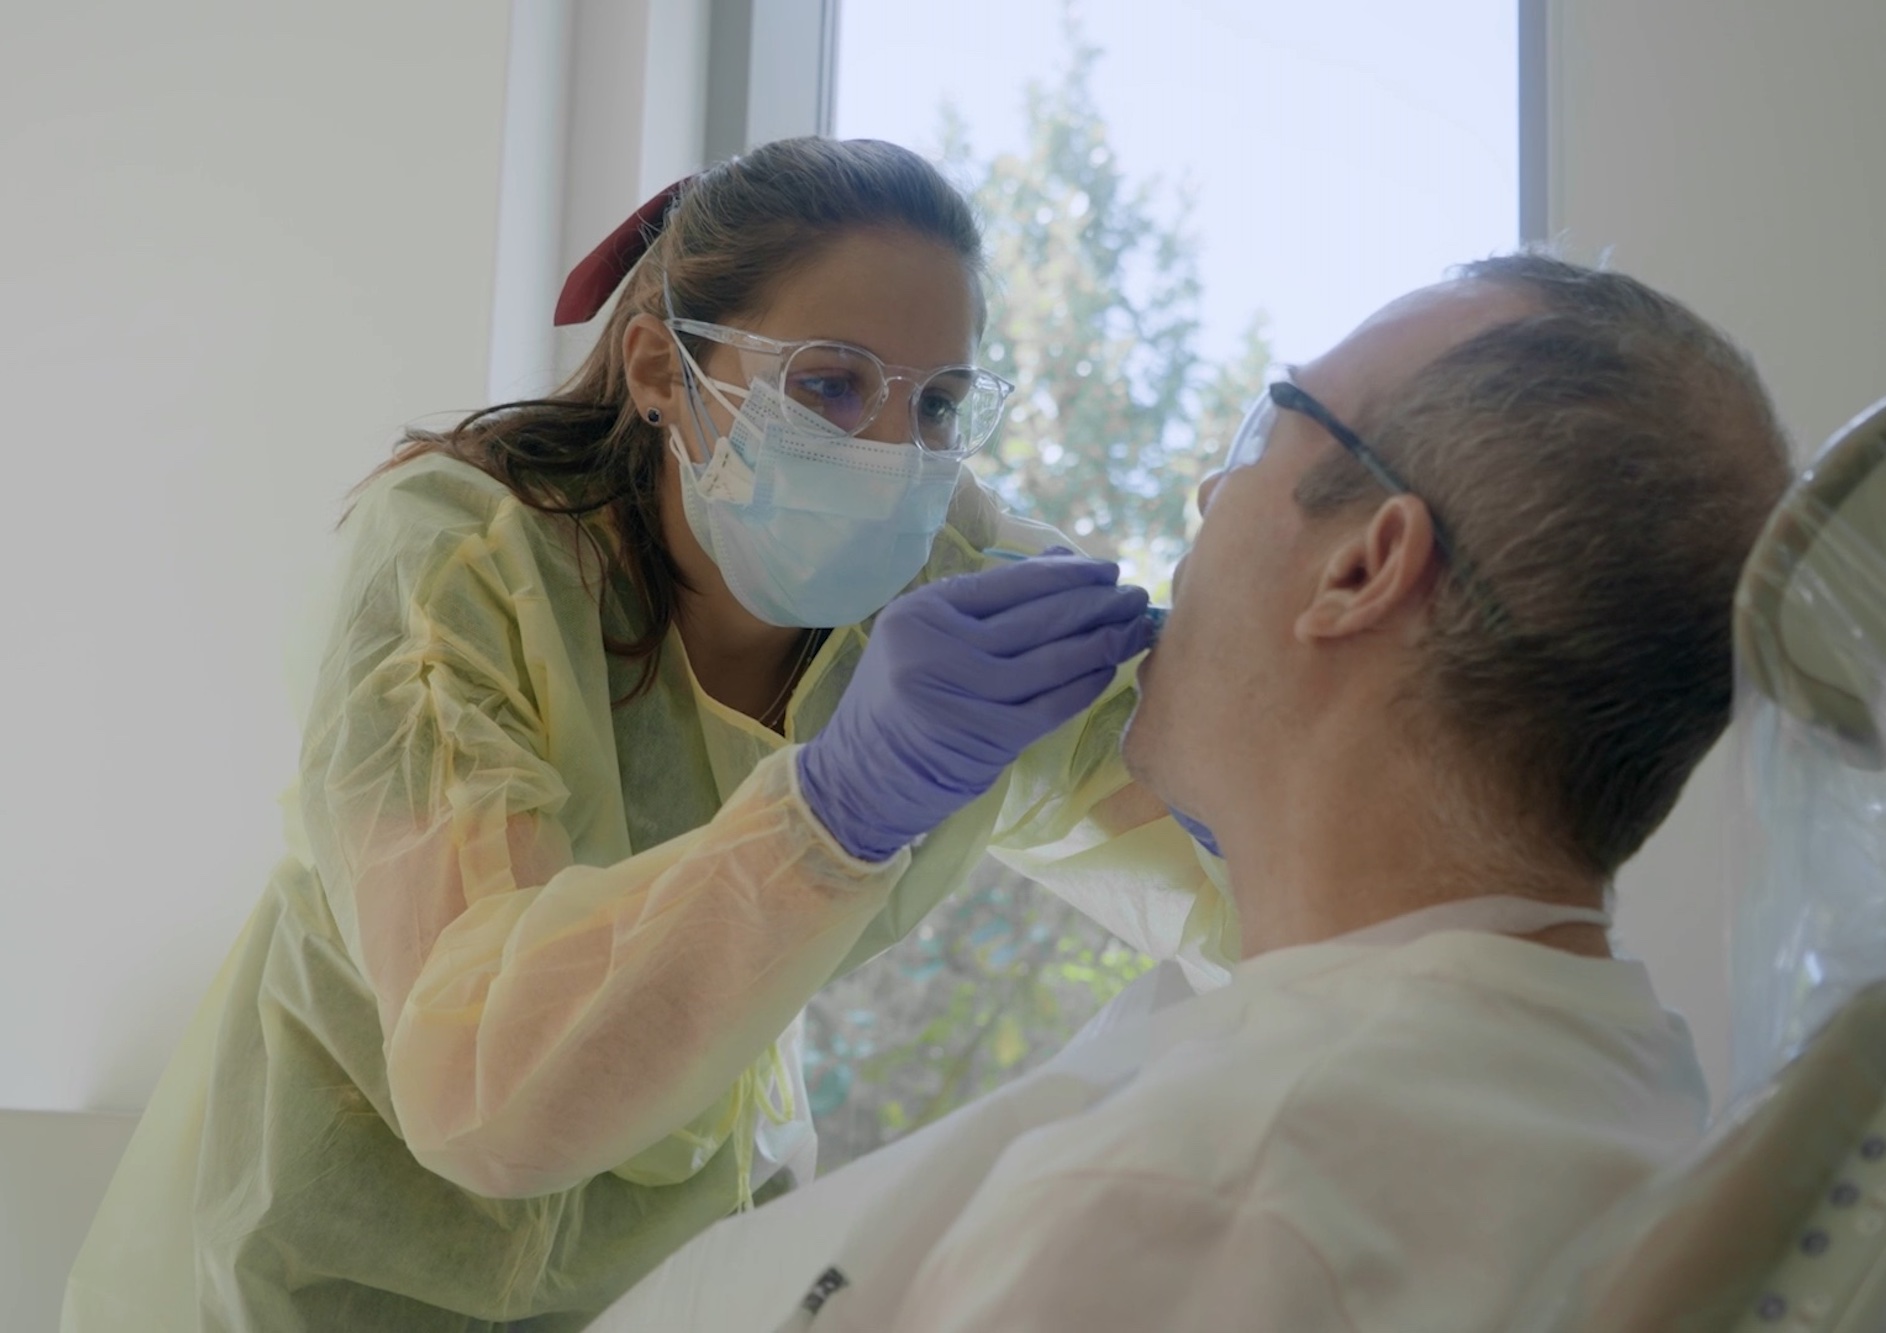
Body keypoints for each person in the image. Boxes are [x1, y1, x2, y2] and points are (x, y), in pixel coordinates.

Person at [61, 137, 1231, 1332]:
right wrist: (830, 813)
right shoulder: (465, 559)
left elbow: (1256, 870)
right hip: (340, 1263)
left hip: (678, 1277)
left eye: (935, 404)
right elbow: (482, 1083)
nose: (892, 453)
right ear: (660, 367)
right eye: (827, 384)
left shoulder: (949, 592)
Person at [584, 253, 1796, 1333]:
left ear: (1361, 567)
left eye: (1258, 439)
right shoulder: (1609, 1083)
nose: (1206, 502)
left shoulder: (1204, 1201)